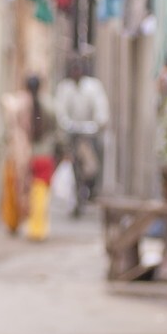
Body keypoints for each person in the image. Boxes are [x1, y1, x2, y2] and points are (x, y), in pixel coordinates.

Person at [1, 75, 57, 240]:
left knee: (14, 190)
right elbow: (56, 129)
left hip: (19, 155)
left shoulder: (17, 104)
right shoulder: (49, 104)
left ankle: (12, 223)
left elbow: (8, 131)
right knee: (39, 193)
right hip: (42, 156)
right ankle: (37, 228)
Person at [53, 55, 109, 214]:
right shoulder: (65, 88)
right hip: (72, 134)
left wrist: (97, 123)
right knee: (71, 164)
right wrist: (66, 124)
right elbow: (61, 111)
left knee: (93, 164)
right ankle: (75, 197)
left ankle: (91, 189)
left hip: (89, 134)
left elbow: (101, 109)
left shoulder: (93, 87)